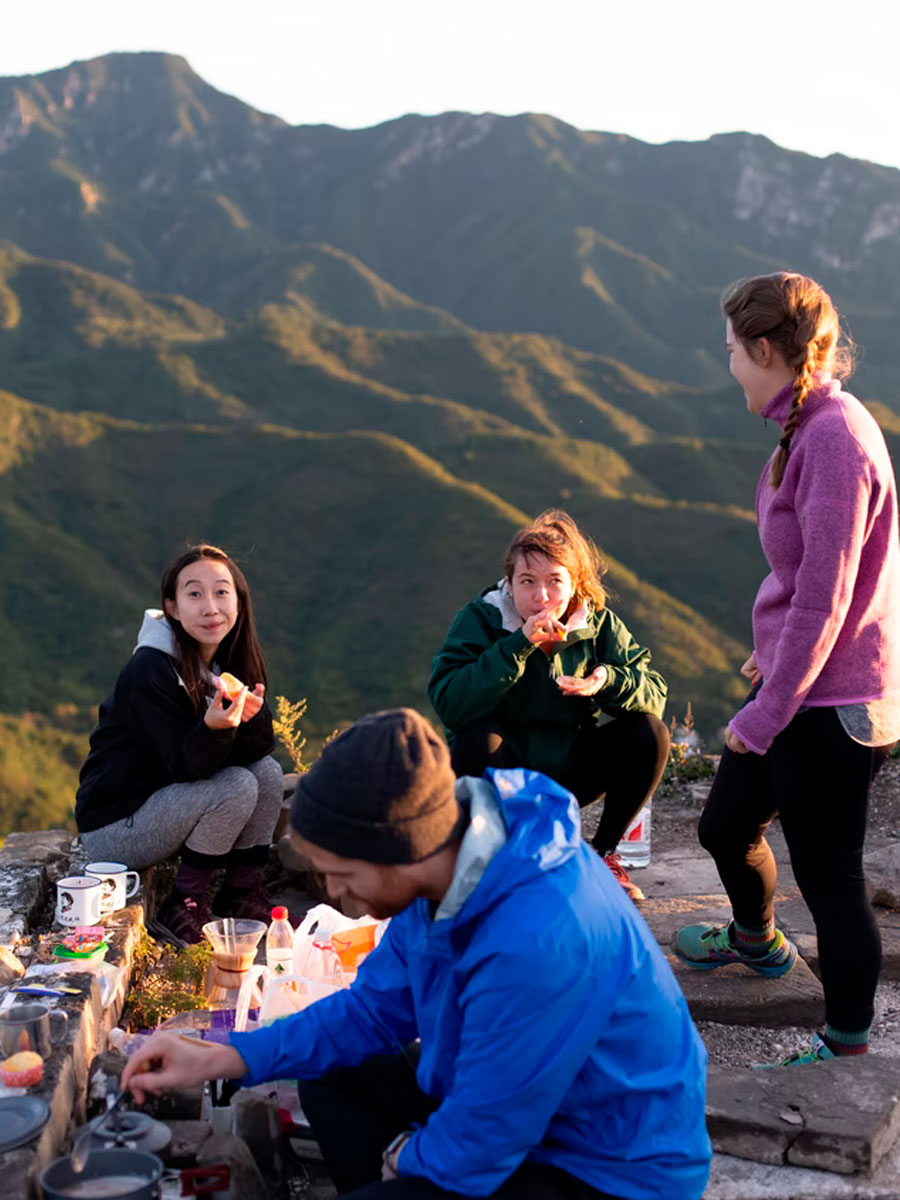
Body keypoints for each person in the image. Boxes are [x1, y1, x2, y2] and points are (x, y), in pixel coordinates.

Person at [123, 707, 712, 1200]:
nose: (332, 893)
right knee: (336, 1073)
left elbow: (484, 1138)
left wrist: (410, 1159)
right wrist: (222, 1057)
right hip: (525, 1112)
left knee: (415, 1170)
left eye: (341, 874)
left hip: (607, 1168)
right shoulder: (451, 862)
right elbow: (371, 1011)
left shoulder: (540, 936)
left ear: (397, 850)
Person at [673, 272, 900, 1064]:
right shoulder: (809, 423)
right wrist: (770, 660)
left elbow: (827, 601)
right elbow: (814, 583)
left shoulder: (834, 437)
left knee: (831, 877)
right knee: (726, 824)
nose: (728, 363)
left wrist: (765, 711)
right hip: (802, 679)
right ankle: (757, 942)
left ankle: (845, 1046)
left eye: (733, 350)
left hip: (832, 704)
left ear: (767, 350)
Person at [428, 510, 670, 902]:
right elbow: (449, 701)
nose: (541, 597)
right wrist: (515, 647)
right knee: (476, 736)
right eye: (527, 582)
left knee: (649, 732)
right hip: (503, 769)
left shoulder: (597, 625)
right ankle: (490, 860)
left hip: (571, 767)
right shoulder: (481, 620)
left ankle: (602, 853)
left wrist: (604, 681)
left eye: (554, 581)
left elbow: (654, 694)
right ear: (509, 583)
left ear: (574, 586)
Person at [75, 543, 283, 942]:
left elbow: (257, 752)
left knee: (267, 774)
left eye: (222, 592)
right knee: (236, 785)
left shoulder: (225, 662)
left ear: (239, 601)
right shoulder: (150, 669)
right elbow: (187, 768)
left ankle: (241, 890)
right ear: (171, 607)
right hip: (117, 824)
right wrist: (214, 729)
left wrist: (251, 720)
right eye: (194, 594)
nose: (210, 607)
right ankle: (184, 903)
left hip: (169, 805)